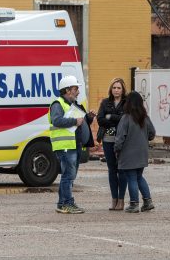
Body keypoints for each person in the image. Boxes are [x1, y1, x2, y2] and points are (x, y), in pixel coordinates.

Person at [49, 75, 96, 214]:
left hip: (74, 145)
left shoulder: (74, 105)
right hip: (65, 146)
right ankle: (67, 203)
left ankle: (62, 203)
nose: (78, 92)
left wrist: (88, 118)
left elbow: (81, 122)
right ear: (67, 90)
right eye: (76, 89)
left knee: (69, 175)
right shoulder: (57, 104)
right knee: (68, 176)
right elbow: (56, 120)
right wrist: (75, 121)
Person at [115, 91, 156, 213]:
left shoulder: (126, 118)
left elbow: (120, 138)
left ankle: (134, 204)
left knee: (131, 178)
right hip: (142, 153)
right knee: (139, 177)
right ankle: (147, 202)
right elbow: (152, 133)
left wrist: (116, 150)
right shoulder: (145, 118)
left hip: (128, 153)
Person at [97, 77, 127, 211]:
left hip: (123, 141)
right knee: (112, 170)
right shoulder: (105, 102)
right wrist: (115, 120)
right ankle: (114, 199)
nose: (116, 90)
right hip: (108, 140)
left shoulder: (127, 103)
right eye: (114, 88)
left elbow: (126, 120)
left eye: (119, 88)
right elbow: (100, 119)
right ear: (111, 89)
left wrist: (110, 117)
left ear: (123, 90)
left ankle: (121, 200)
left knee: (122, 170)